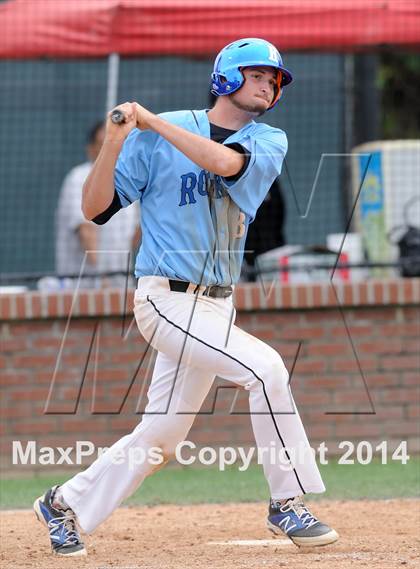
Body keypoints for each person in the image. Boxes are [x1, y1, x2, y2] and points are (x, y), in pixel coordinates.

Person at [34, 38, 338, 556]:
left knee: (161, 438)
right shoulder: (155, 135)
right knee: (264, 369)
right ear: (225, 77)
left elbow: (224, 164)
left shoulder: (269, 140)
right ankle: (288, 501)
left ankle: (63, 503)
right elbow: (95, 209)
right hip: (166, 299)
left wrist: (151, 123)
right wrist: (114, 141)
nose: (270, 83)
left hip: (218, 302)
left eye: (275, 79)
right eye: (258, 74)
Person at [55, 121, 140, 288]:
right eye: (105, 144)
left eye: (118, 144)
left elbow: (135, 234)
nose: (113, 149)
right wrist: (103, 278)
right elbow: (86, 231)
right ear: (91, 149)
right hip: (81, 286)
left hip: (120, 285)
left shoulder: (130, 179)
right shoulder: (79, 177)